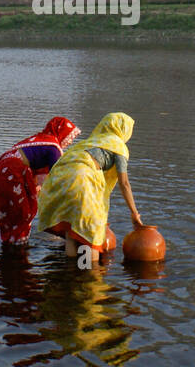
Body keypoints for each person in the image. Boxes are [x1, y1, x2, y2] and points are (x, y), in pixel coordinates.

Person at [37, 112, 143, 265]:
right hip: (82, 179)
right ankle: (87, 274)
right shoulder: (118, 147)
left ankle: (71, 272)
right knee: (89, 232)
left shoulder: (91, 142)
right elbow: (124, 183)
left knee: (72, 230)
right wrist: (134, 213)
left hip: (60, 178)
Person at [0, 117, 81, 245]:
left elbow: (42, 181)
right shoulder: (53, 147)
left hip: (0, 170)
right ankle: (18, 247)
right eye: (70, 136)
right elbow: (58, 178)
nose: (70, 141)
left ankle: (10, 243)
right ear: (61, 132)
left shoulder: (40, 140)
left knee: (10, 212)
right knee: (23, 213)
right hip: (12, 170)